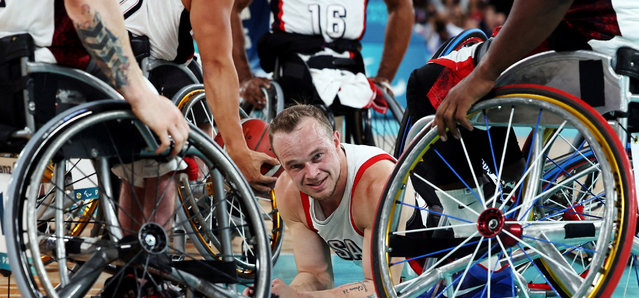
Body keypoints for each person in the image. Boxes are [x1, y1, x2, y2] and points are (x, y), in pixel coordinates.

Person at [119, 0, 279, 195]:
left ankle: (198, 193)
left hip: (142, 46)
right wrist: (238, 151)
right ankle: (189, 195)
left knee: (199, 93)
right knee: (161, 169)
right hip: (129, 57)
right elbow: (218, 67)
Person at [422, 0, 639, 140]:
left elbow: (546, 6)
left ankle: (466, 207)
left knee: (427, 83)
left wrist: (484, 74)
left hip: (608, 65)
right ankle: (508, 178)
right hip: (621, 62)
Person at [267, 104, 404, 298]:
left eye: (317, 156)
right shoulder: (287, 191)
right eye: (295, 166)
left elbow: (384, 290)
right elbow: (315, 276)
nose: (312, 173)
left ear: (336, 141)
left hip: (440, 274)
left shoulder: (376, 183)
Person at [0, 0, 189, 154]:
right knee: (159, 137)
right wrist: (141, 95)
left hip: (11, 65)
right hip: (44, 69)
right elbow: (84, 5)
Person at [231, 0, 414, 113]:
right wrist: (244, 78)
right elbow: (230, 8)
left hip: (346, 62)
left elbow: (401, 6)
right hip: (294, 61)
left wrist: (385, 77)